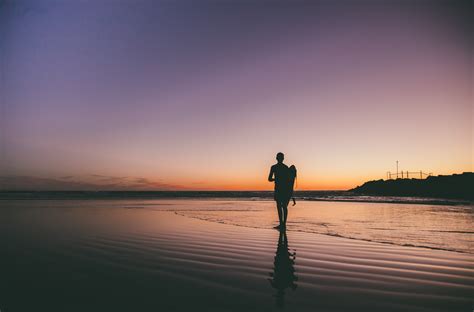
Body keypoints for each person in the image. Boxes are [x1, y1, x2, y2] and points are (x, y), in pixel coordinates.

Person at [268, 152, 292, 230]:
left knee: (279, 206)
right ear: (283, 158)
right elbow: (289, 181)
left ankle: (281, 224)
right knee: (284, 206)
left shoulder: (273, 167)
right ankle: (283, 224)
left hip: (278, 189)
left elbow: (269, 179)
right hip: (284, 189)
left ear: (276, 158)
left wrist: (276, 179)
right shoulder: (286, 167)